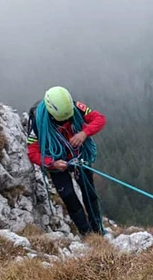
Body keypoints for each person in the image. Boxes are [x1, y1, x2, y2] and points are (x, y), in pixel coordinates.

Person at [26, 86, 106, 236]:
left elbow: (99, 119)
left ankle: (98, 229)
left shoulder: (75, 108)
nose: (67, 121)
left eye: (69, 117)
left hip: (79, 157)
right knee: (70, 198)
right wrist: (52, 163)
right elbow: (32, 152)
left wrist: (84, 133)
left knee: (90, 193)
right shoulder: (38, 122)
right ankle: (86, 233)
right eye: (62, 119)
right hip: (56, 163)